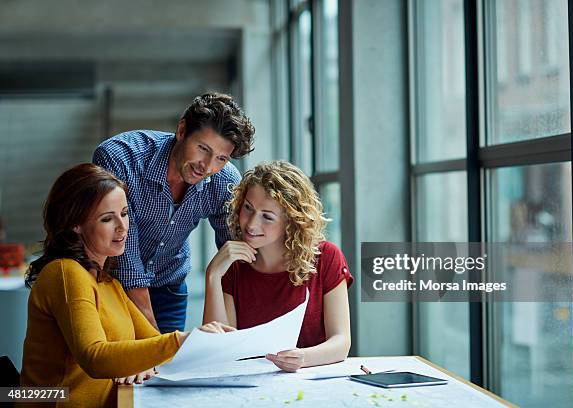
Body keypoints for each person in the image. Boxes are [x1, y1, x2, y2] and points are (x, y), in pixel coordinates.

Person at [20, 164, 234, 408]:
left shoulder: (108, 282)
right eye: (107, 219)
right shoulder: (66, 272)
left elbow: (153, 345)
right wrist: (183, 340)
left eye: (124, 213)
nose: (123, 227)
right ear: (74, 224)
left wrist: (147, 361)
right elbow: (95, 358)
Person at [93, 92, 255, 334]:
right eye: (202, 148)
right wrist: (157, 340)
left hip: (169, 286)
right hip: (111, 286)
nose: (208, 166)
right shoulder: (121, 158)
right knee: (123, 367)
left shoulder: (225, 180)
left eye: (221, 158)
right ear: (181, 130)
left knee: (167, 370)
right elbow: (125, 254)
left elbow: (236, 252)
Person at [203, 161, 352, 372]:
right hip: (249, 386)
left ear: (291, 222)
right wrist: (213, 275)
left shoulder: (326, 257)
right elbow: (217, 351)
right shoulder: (233, 267)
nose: (251, 224)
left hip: (311, 382)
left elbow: (341, 342)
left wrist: (303, 358)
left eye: (267, 216)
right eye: (248, 208)